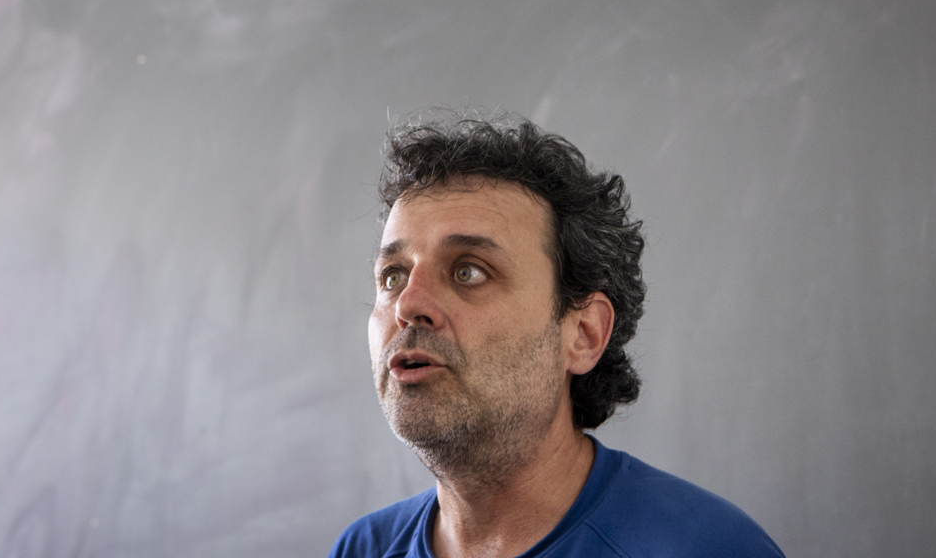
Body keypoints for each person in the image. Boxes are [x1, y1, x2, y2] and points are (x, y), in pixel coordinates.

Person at [328, 114, 785, 558]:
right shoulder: (362, 548)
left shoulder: (704, 549)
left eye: (469, 271)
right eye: (392, 276)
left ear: (584, 335)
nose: (407, 304)